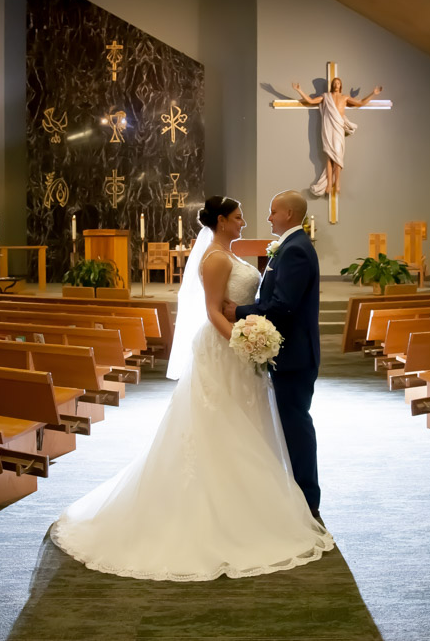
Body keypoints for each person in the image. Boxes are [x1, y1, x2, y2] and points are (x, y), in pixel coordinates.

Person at [51, 196, 332, 580]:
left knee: (250, 427)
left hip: (247, 350)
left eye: (263, 213)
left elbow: (268, 303)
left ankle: (263, 502)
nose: (248, 221)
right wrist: (242, 339)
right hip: (227, 349)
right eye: (239, 217)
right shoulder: (215, 258)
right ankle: (234, 509)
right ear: (222, 220)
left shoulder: (248, 252)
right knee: (219, 426)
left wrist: (247, 332)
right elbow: (213, 311)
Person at [224, 190, 324, 518]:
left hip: (295, 356)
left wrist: (238, 312)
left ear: (289, 215)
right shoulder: (291, 246)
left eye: (273, 212)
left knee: (296, 426)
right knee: (290, 424)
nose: (268, 217)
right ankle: (298, 497)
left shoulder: (295, 250)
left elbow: (282, 306)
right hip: (290, 353)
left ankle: (308, 501)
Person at [289, 76, 383, 197]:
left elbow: (360, 103)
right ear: (332, 85)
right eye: (334, 83)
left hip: (338, 128)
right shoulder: (325, 96)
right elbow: (311, 101)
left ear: (341, 85)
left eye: (338, 83)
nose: (336, 85)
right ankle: (329, 183)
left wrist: (373, 93)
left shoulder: (345, 97)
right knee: (329, 156)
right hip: (328, 128)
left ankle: (337, 182)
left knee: (337, 156)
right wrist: (299, 90)